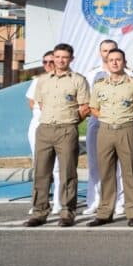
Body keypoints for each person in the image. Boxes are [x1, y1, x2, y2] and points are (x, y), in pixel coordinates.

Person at [24, 43, 90, 227]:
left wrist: (69, 121)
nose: (60, 60)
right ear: (53, 57)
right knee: (41, 173)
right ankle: (39, 212)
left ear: (71, 59)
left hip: (66, 129)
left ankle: (67, 213)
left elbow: (84, 107)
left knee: (68, 172)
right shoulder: (42, 80)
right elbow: (40, 104)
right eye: (57, 56)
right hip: (44, 129)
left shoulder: (78, 80)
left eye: (64, 57)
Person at [86, 48, 133, 227]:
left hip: (126, 130)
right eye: (111, 60)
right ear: (106, 63)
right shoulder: (99, 85)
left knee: (130, 172)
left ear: (124, 62)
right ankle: (105, 212)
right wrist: (107, 119)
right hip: (105, 131)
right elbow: (93, 108)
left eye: (118, 59)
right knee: (106, 173)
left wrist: (130, 118)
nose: (114, 63)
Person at [83, 39, 126, 217]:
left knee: (120, 166)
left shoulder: (127, 74)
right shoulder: (92, 74)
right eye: (105, 50)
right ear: (100, 53)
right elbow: (86, 100)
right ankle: (94, 200)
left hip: (120, 123)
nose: (108, 53)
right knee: (95, 164)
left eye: (111, 50)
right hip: (97, 121)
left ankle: (120, 202)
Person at [26, 52, 61, 216]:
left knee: (57, 168)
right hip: (38, 126)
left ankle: (59, 202)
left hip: (58, 125)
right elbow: (32, 103)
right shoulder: (38, 81)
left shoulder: (67, 80)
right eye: (45, 62)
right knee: (40, 167)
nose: (48, 64)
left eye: (51, 61)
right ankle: (40, 202)